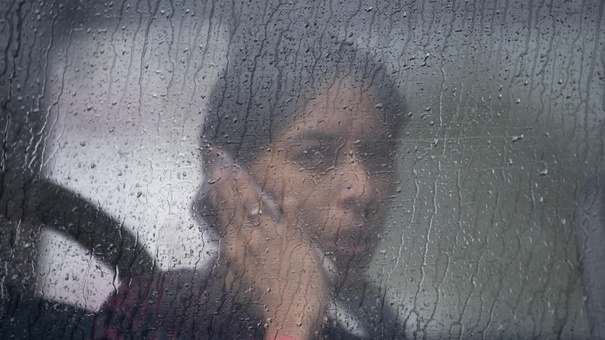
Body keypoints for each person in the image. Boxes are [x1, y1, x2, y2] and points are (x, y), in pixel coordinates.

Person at [93, 42, 408, 339]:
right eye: (313, 155)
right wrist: (290, 317)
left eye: (377, 156)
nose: (364, 190)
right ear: (226, 173)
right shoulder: (150, 317)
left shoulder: (377, 325)